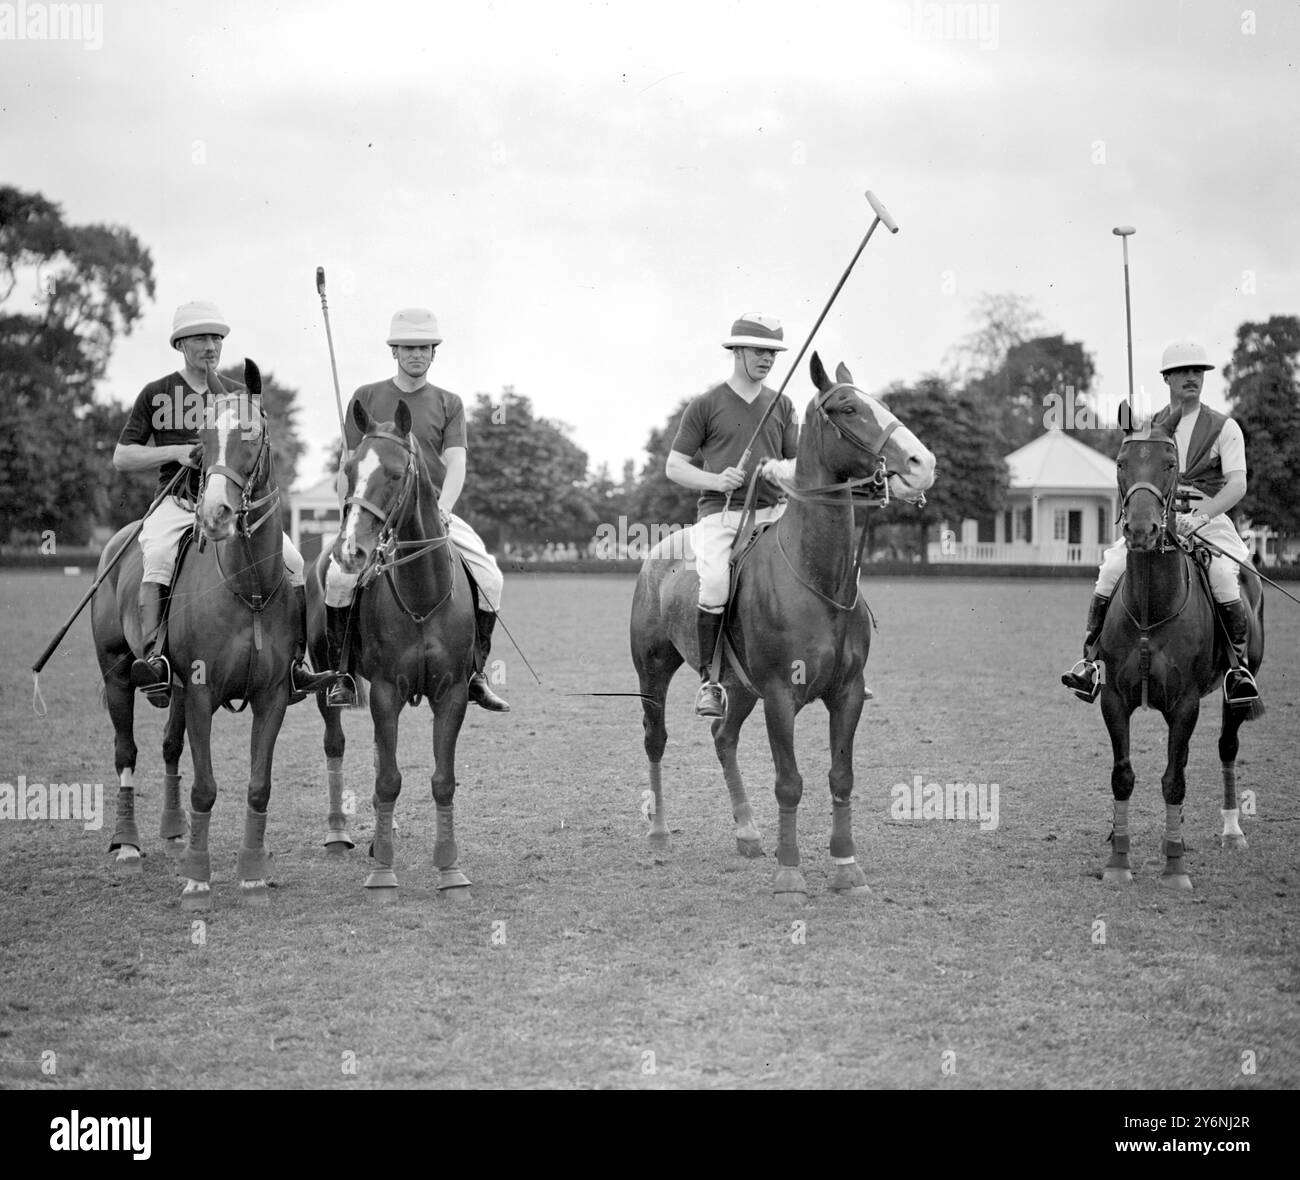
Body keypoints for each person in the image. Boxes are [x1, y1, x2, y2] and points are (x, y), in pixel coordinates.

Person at [114, 301, 338, 707]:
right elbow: (122, 456)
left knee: (294, 561)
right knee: (159, 556)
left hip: (234, 508)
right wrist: (177, 452)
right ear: (180, 343)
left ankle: (295, 663)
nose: (211, 345)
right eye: (201, 337)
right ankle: (156, 659)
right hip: (177, 502)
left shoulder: (239, 395)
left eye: (217, 337)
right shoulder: (157, 393)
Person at [322, 307, 509, 712]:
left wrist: (444, 507)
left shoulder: (449, 402)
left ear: (433, 352)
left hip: (431, 512)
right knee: (338, 577)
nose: (416, 355)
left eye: (423, 348)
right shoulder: (366, 397)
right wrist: (349, 514)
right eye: (407, 348)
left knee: (491, 579)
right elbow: (349, 465)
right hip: (376, 514)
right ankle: (343, 675)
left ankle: (475, 672)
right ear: (394, 351)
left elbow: (456, 461)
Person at [1062, 339, 1261, 706]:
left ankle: (1237, 668)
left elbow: (1238, 485)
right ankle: (1091, 664)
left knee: (1221, 576)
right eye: (1183, 372)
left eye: (1197, 372)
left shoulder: (1224, 428)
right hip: (1156, 523)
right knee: (1110, 570)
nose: (1191, 378)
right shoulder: (1147, 429)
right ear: (1167, 378)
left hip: (1208, 521)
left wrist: (1200, 518)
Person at [666, 313, 799, 718]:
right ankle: (710, 683)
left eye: (773, 353)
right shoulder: (705, 405)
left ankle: (842, 670)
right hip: (721, 517)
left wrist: (781, 471)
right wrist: (716, 479)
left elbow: (797, 464)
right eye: (759, 351)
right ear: (736, 351)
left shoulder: (783, 404)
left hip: (775, 515)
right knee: (714, 587)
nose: (767, 360)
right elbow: (674, 466)